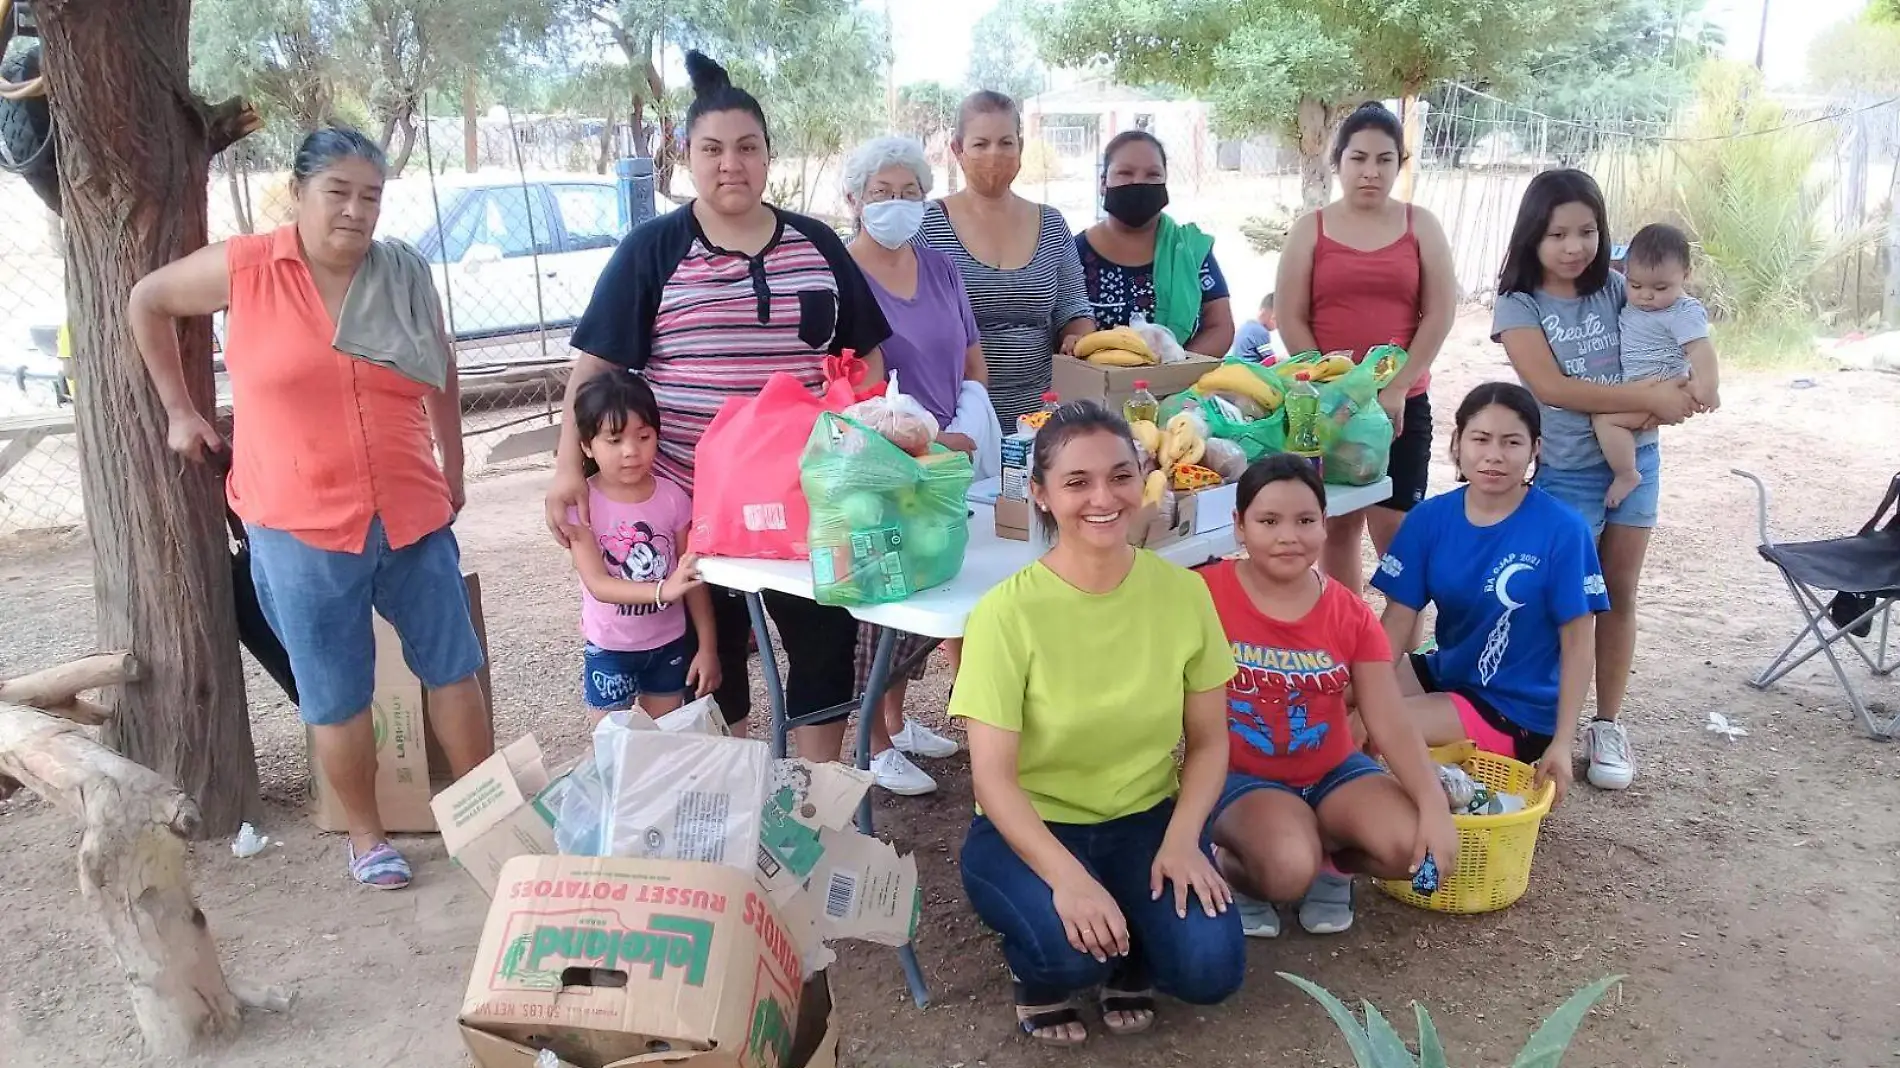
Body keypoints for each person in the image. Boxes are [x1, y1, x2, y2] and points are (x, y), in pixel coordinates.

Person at [129, 127, 491, 890]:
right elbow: (148, 301)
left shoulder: (401, 272)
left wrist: (451, 465)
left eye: (371, 196)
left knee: (453, 666)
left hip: (409, 507)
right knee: (336, 689)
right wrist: (179, 411)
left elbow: (441, 362)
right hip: (297, 520)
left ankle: (485, 811)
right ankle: (366, 837)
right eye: (339, 193)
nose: (356, 212)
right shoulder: (248, 268)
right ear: (298, 193)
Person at [544, 52, 891, 739]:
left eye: (747, 148)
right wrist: (566, 470)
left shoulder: (818, 244)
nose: (731, 164)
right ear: (686, 155)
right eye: (712, 149)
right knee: (713, 659)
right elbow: (594, 371)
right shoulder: (652, 250)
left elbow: (866, 356)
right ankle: (726, 789)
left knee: (824, 645)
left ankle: (810, 799)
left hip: (805, 504)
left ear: (768, 156)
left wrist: (867, 450)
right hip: (692, 506)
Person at [952, 402, 1244, 1047]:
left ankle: (1132, 945)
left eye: (1120, 475)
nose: (1102, 498)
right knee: (1070, 953)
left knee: (1210, 971)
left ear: (1143, 477)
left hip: (1144, 820)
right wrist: (1069, 879)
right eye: (1076, 483)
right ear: (1041, 496)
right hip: (1030, 825)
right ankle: (1042, 978)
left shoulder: (1185, 593)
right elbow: (994, 782)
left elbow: (1209, 741)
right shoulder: (1005, 614)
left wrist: (1183, 838)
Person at [1490, 169, 1704, 791]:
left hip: (1638, 462)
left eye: (1587, 230)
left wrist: (1678, 392)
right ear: (1533, 236)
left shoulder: (1620, 288)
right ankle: (1535, 721)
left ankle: (1606, 723)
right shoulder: (1519, 305)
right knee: (1560, 603)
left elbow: (1681, 338)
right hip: (1566, 473)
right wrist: (1649, 396)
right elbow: (1551, 388)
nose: (1574, 245)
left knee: (1620, 592)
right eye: (1558, 233)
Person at [1202, 455, 1459, 938]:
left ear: (1325, 525)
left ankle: (1333, 866)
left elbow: (1389, 720)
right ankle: (1238, 869)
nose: (1288, 536)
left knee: (1410, 848)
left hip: (1332, 773)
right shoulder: (1204, 595)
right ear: (1239, 526)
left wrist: (1433, 807)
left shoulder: (1350, 613)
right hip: (1241, 775)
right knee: (1284, 869)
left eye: (1304, 521)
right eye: (1268, 521)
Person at [816, 133, 992, 795]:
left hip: (950, 454)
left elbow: (972, 356)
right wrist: (919, 441)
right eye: (882, 193)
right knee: (886, 590)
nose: (897, 204)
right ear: (854, 199)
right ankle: (874, 738)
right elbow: (853, 381)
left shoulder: (941, 268)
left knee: (935, 580)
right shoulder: (842, 273)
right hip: (885, 462)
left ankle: (895, 715)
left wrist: (964, 426)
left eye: (910, 192)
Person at [1372, 383, 1612, 809]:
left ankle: (1366, 836)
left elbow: (1578, 642)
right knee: (1345, 699)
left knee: (1376, 725)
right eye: (1480, 439)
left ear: (1536, 449)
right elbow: (1397, 619)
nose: (1494, 455)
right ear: (1457, 443)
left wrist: (1562, 741)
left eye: (1512, 442)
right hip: (1452, 673)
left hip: (1518, 706)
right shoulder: (1430, 518)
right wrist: (1364, 689)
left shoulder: (1563, 529)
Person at [1275, 102, 1457, 594]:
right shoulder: (1309, 229)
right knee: (1337, 530)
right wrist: (1330, 389)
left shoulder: (1422, 226)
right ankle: (1347, 652)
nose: (1371, 172)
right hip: (1328, 409)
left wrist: (1396, 387)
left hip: (1401, 405)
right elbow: (1291, 314)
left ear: (1400, 163)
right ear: (1339, 163)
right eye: (1358, 158)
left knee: (1398, 535)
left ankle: (1398, 661)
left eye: (1384, 159)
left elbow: (1439, 313)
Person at [920, 90, 1095, 429]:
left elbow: (1075, 309)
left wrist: (1077, 337)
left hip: (1040, 417)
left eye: (1005, 143)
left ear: (1020, 146)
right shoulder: (926, 225)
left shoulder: (1052, 224)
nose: (994, 155)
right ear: (957, 149)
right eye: (980, 144)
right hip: (954, 419)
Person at [560, 369, 719, 722]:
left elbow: (691, 580)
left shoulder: (674, 498)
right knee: (613, 750)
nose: (631, 451)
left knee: (659, 746)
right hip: (609, 649)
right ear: (586, 445)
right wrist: (664, 590)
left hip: (668, 646)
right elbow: (599, 585)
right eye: (614, 440)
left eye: (643, 436)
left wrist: (707, 647)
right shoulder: (580, 504)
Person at [1591, 223, 1720, 509]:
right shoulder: (1636, 302)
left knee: (1605, 420)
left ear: (1685, 275)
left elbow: (1701, 349)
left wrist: (1708, 387)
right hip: (1640, 388)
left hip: (1661, 386)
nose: (1646, 295)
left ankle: (1627, 474)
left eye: (1660, 287)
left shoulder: (1682, 312)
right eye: (1635, 285)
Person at [1074, 130, 1235, 357]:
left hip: (1180, 385)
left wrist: (1173, 371)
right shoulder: (1072, 254)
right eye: (1125, 173)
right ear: (1103, 182)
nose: (1138, 182)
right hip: (1092, 385)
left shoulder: (1189, 250)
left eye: (1153, 175)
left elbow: (1220, 327)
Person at [1229, 292, 1277, 362]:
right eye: (1275, 319)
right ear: (1263, 313)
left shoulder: (1246, 326)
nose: (1277, 326)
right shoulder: (1261, 331)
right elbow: (1269, 358)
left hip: (1237, 365)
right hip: (1250, 367)